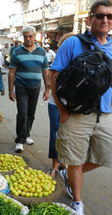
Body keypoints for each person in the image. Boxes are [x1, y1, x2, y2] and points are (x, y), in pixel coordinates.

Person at [50, 1, 112, 214]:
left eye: (110, 16)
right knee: (75, 159)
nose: (106, 20)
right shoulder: (73, 43)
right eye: (100, 15)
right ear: (90, 19)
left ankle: (69, 175)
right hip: (76, 114)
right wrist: (63, 111)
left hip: (106, 113)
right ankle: (77, 201)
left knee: (105, 157)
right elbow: (53, 77)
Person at [8, 25, 50, 153]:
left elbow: (46, 72)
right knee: (22, 113)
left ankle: (26, 135)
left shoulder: (42, 52)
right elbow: (11, 73)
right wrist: (11, 90)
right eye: (25, 36)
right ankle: (19, 140)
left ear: (35, 36)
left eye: (30, 36)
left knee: (31, 113)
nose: (28, 39)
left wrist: (47, 90)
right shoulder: (17, 51)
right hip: (21, 87)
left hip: (35, 87)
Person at [46, 32, 75, 178]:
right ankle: (55, 165)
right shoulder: (59, 60)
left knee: (69, 136)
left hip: (72, 107)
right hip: (55, 105)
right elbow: (51, 82)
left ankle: (64, 163)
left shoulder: (80, 61)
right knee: (55, 134)